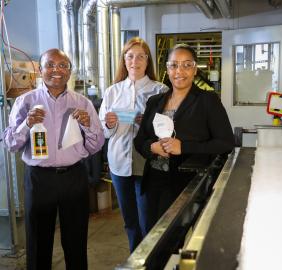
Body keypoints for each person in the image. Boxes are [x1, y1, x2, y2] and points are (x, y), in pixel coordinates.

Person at [2, 48, 105, 270]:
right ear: (40, 70)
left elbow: (96, 146)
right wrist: (26, 124)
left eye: (62, 66)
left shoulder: (83, 103)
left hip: (74, 177)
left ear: (69, 72)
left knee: (76, 240)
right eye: (50, 65)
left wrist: (87, 125)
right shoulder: (25, 102)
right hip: (39, 179)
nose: (56, 70)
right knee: (39, 242)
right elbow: (11, 144)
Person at [134, 44, 234, 228]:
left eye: (187, 65)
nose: (179, 71)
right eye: (174, 65)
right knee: (150, 236)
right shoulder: (155, 101)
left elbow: (226, 143)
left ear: (195, 69)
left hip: (187, 185)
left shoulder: (207, 100)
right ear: (167, 69)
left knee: (174, 241)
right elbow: (139, 140)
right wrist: (151, 147)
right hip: (154, 182)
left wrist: (184, 147)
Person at [98, 37, 168, 252]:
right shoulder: (113, 91)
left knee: (149, 220)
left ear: (148, 61)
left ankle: (151, 262)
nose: (134, 61)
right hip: (119, 161)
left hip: (148, 162)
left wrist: (147, 121)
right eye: (130, 56)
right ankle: (134, 261)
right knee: (129, 221)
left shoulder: (161, 90)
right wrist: (109, 123)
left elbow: (168, 129)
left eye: (140, 56)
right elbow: (104, 131)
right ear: (124, 60)